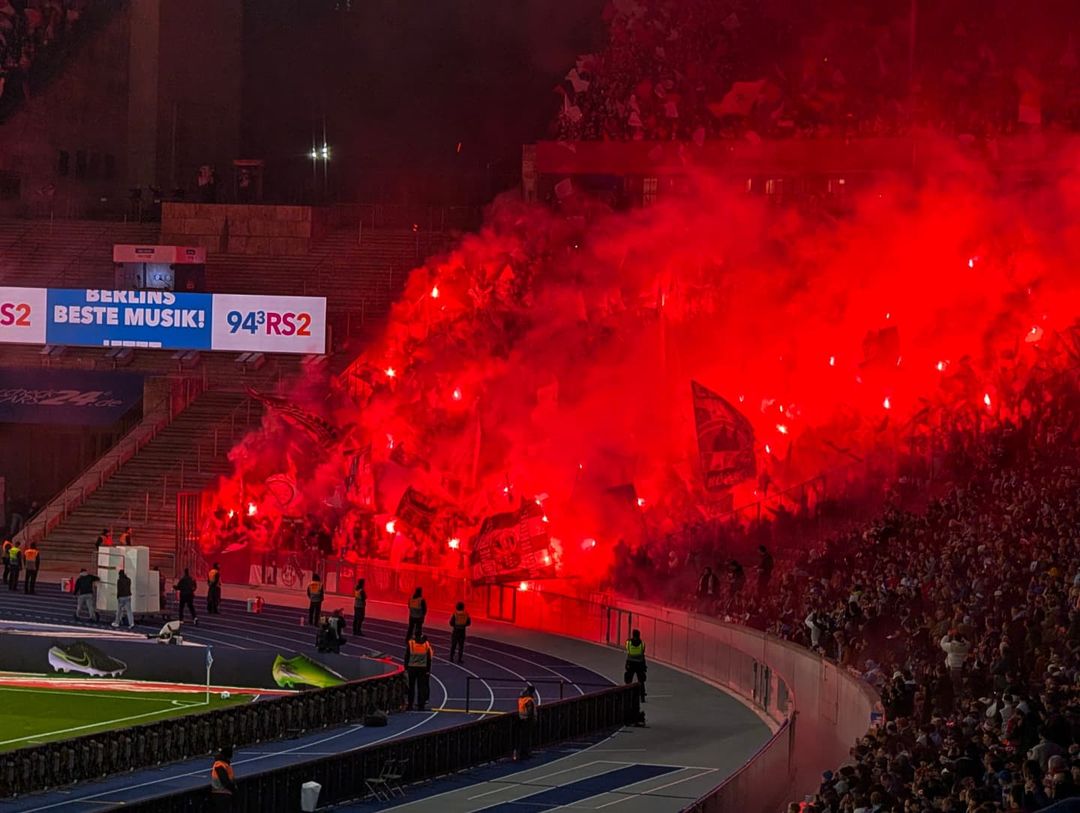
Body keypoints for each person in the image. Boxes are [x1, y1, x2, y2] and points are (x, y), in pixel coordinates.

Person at [404, 631, 433, 711]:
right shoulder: (426, 644)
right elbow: (429, 659)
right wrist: (428, 670)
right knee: (421, 687)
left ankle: (410, 705)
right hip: (423, 668)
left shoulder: (411, 644)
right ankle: (421, 705)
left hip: (412, 668)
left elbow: (407, 656)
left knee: (411, 687)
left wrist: (405, 668)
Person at [209, 745, 237, 811]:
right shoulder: (219, 765)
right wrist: (234, 789)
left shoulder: (225, 764)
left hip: (222, 793)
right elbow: (225, 781)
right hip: (220, 794)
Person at [515, 684, 537, 760]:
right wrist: (533, 719)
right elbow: (530, 711)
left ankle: (521, 753)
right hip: (527, 721)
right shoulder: (529, 700)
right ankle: (525, 753)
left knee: (522, 738)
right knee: (526, 738)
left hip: (521, 719)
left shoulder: (521, 699)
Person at [624, 628, 647, 701]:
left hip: (630, 663)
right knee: (641, 681)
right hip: (640, 663)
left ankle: (627, 695)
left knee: (628, 680)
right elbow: (643, 652)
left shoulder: (628, 643)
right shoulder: (642, 644)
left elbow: (627, 649)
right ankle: (642, 696)